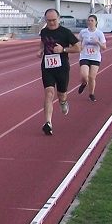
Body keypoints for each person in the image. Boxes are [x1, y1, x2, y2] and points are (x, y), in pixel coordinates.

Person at [38, 8, 80, 136]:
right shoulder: (44, 31)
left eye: (54, 20)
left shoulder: (65, 32)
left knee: (61, 94)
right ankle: (48, 123)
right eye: (49, 20)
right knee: (49, 93)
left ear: (59, 18)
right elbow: (43, 42)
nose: (51, 23)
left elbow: (78, 47)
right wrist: (40, 50)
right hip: (47, 67)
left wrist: (63, 50)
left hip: (62, 68)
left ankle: (63, 102)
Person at [76, 14, 107, 101]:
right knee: (84, 75)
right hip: (84, 56)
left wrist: (97, 42)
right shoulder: (83, 32)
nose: (90, 22)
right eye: (88, 20)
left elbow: (104, 47)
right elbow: (78, 42)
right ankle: (84, 83)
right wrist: (80, 46)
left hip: (95, 57)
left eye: (92, 21)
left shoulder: (99, 33)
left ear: (96, 22)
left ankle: (91, 94)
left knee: (92, 77)